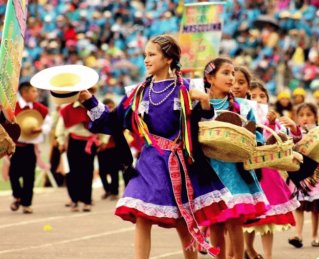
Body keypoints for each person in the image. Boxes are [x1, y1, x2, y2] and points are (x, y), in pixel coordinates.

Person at [78, 35, 230, 258]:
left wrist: (205, 103)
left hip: (181, 163)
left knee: (182, 219)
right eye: (144, 55)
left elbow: (204, 128)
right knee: (142, 216)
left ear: (168, 59)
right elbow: (111, 121)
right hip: (149, 162)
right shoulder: (137, 93)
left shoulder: (188, 89)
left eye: (151, 55)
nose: (146, 60)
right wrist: (89, 100)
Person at [204, 57, 270, 259]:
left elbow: (257, 136)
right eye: (226, 73)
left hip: (236, 171)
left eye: (233, 73)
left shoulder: (244, 106)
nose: (231, 78)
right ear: (210, 78)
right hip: (210, 171)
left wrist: (253, 140)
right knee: (215, 222)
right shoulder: (200, 105)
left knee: (234, 221)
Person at [243, 81, 300, 259]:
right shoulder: (242, 114)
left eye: (262, 96)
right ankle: (249, 249)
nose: (258, 99)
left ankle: (268, 256)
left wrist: (274, 124)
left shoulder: (272, 119)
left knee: (268, 218)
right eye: (253, 96)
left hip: (269, 173)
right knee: (248, 216)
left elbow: (285, 140)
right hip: (248, 171)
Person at [288, 103, 319, 248]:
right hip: (299, 175)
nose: (305, 118)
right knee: (299, 206)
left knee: (316, 208)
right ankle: (298, 234)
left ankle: (315, 236)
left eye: (309, 115)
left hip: (316, 175)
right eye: (301, 115)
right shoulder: (295, 132)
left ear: (315, 117)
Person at [9, 82, 51, 214]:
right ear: (24, 93)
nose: (36, 94)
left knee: (29, 176)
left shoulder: (40, 108)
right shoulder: (12, 107)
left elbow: (48, 124)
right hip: (16, 147)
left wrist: (41, 129)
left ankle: (26, 203)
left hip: (30, 147)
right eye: (33, 91)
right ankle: (18, 196)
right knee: (13, 175)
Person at [55, 89, 99, 213]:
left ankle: (86, 201)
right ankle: (74, 200)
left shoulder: (95, 108)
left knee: (87, 171)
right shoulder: (67, 109)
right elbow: (61, 127)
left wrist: (103, 140)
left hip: (90, 143)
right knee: (73, 172)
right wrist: (61, 141)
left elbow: (103, 123)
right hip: (74, 142)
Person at [97, 98, 120, 200]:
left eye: (111, 106)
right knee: (102, 172)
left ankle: (114, 191)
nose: (110, 109)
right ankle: (107, 190)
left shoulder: (117, 117)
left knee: (114, 171)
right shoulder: (101, 117)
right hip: (101, 148)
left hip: (114, 148)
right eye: (108, 107)